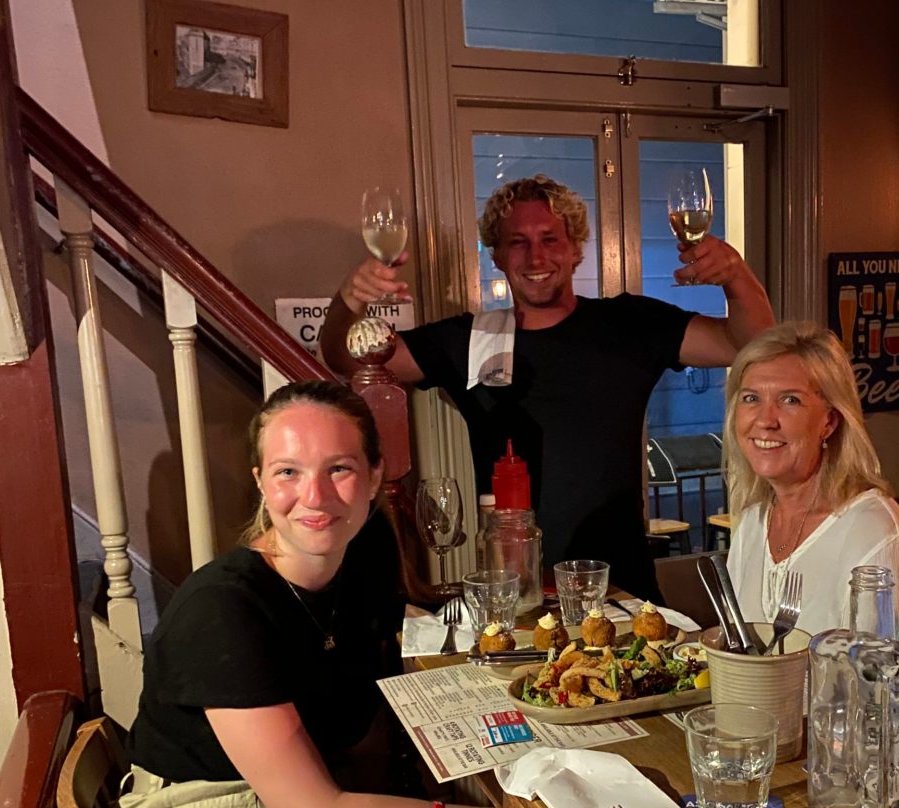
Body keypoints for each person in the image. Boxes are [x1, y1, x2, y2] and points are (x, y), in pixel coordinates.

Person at [112, 381, 568, 808]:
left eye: (341, 469)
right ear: (260, 481)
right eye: (288, 471)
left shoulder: (361, 561)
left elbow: (366, 743)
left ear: (377, 476)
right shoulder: (222, 608)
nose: (315, 496)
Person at [320, 174, 774, 599]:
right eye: (517, 243)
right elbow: (346, 358)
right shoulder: (472, 339)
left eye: (550, 239)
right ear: (496, 255)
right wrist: (349, 300)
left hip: (621, 586)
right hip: (515, 591)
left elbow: (746, 342)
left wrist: (735, 276)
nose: (536, 258)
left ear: (576, 249)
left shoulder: (628, 324)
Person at [723, 322, 899, 639]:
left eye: (790, 400)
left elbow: (889, 679)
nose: (764, 420)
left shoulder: (875, 532)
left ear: (829, 422)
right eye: (751, 398)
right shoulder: (752, 522)